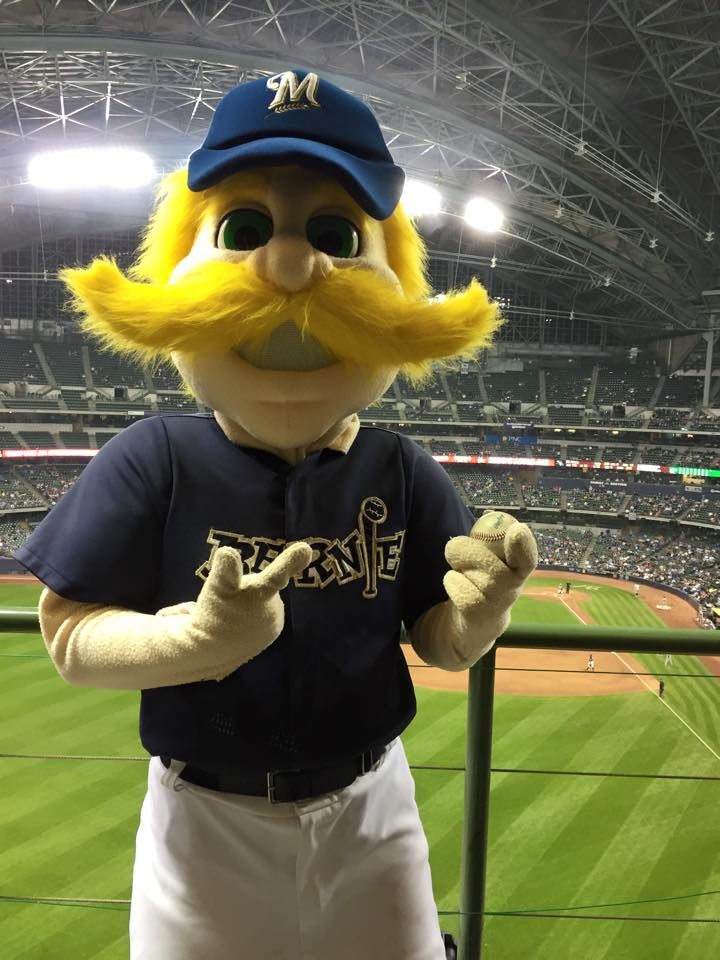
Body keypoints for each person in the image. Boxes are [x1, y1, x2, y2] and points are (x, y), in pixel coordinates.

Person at [15, 70, 538, 960]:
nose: (293, 264)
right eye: (246, 230)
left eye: (335, 236)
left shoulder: (398, 466)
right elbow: (68, 636)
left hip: (373, 810)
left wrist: (484, 612)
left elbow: (437, 636)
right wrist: (194, 642)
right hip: (202, 821)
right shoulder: (154, 456)